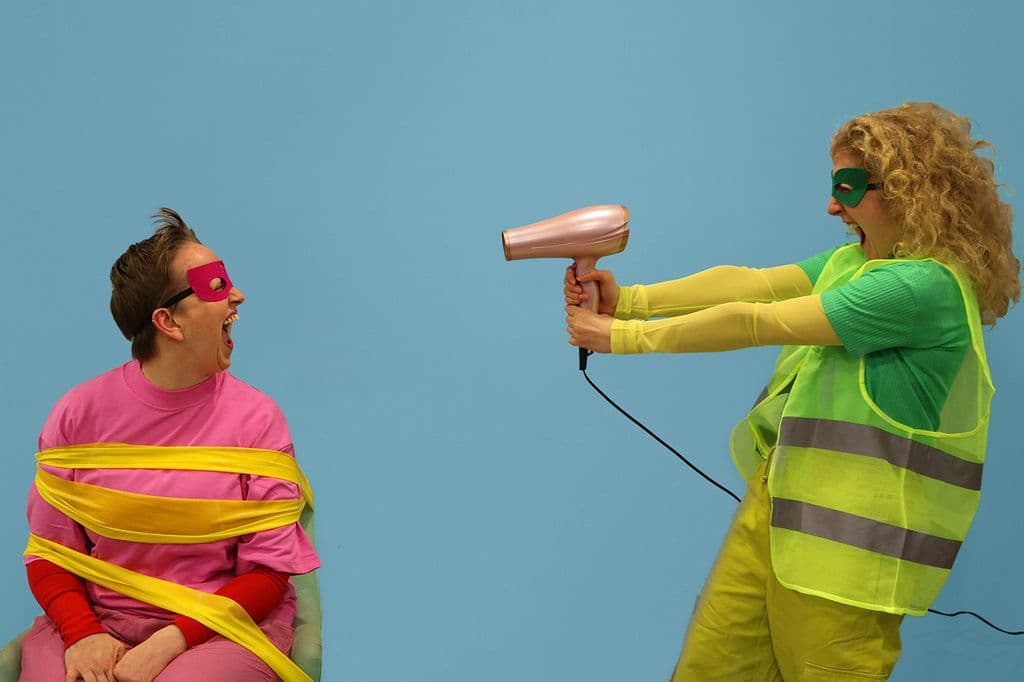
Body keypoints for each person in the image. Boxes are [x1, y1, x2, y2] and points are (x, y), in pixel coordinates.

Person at [563, 102, 1019, 680]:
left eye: (848, 187)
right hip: (778, 512)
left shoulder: (920, 288)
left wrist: (619, 337)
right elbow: (751, 285)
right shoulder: (854, 264)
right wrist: (629, 301)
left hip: (849, 558)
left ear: (910, 190)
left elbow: (759, 321)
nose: (832, 205)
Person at [21, 209, 320, 681]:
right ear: (169, 322)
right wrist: (82, 634)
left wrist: (168, 643)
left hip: (222, 628)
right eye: (217, 286)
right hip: (96, 623)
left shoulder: (257, 421)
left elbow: (268, 573)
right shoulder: (77, 415)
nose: (238, 295)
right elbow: (50, 553)